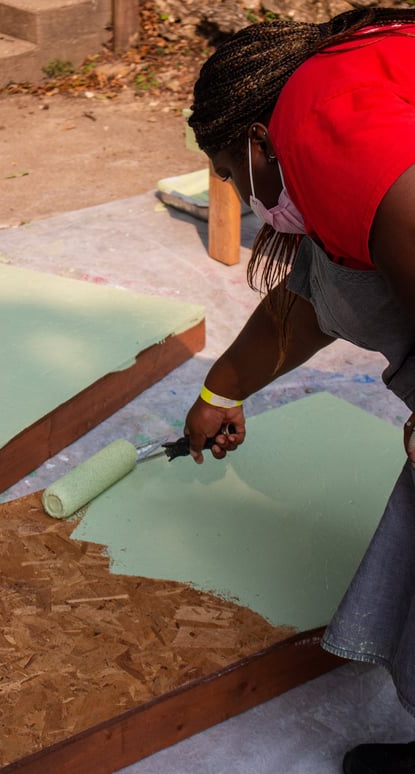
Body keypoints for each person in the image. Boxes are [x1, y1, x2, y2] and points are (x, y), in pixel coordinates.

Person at [184, 7, 415, 773]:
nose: (238, 197)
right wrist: (221, 389)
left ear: (256, 141)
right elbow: (320, 291)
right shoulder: (346, 92)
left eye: (227, 172)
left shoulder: (320, 129)